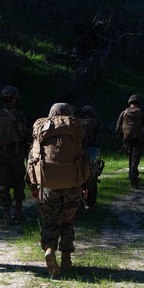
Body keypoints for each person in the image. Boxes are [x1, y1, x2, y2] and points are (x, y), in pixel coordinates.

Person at [28, 103, 91, 277]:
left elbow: (32, 157)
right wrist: (85, 184)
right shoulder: (76, 127)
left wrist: (33, 184)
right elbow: (84, 157)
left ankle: (49, 248)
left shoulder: (41, 127)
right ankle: (66, 258)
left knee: (50, 221)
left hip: (48, 183)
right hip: (72, 182)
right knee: (67, 221)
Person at [0, 85, 32, 225]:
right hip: (16, 153)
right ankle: (19, 213)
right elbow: (24, 132)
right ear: (14, 99)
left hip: (1, 153)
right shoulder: (18, 115)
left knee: (4, 184)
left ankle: (7, 215)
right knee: (18, 182)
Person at [115, 94, 144, 187]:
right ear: (138, 103)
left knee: (130, 159)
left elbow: (117, 127)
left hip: (127, 139)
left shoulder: (124, 113)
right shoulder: (141, 113)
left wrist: (121, 137)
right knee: (135, 160)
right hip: (138, 139)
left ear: (130, 103)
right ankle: (133, 180)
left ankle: (133, 179)